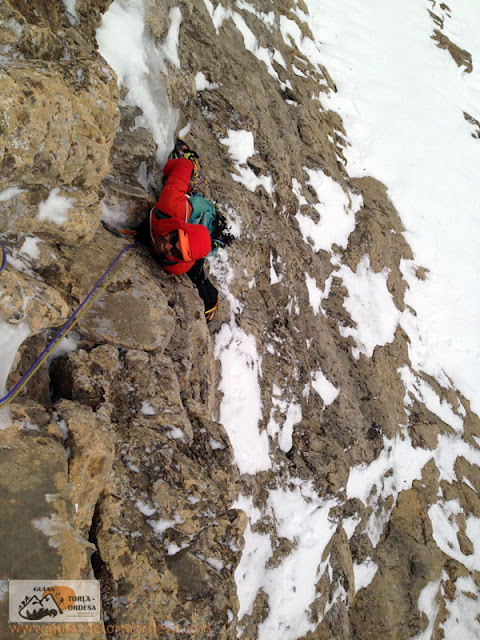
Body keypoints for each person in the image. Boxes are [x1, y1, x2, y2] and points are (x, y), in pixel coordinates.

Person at [148, 140, 223, 323]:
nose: (166, 246)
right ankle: (192, 181)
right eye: (173, 237)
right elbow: (183, 164)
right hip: (190, 214)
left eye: (175, 251)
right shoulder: (170, 204)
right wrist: (167, 172)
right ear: (178, 229)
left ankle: (212, 303)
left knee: (197, 276)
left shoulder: (178, 265)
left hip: (198, 236)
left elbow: (182, 253)